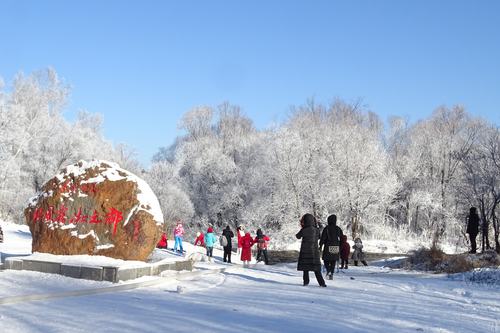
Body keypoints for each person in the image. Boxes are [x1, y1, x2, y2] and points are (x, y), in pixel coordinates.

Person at [296, 213, 327, 287]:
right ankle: (321, 283)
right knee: (316, 268)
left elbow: (298, 236)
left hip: (305, 251)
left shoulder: (304, 230)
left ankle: (306, 282)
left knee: (305, 268)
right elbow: (319, 237)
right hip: (314, 251)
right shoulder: (316, 230)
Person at [319, 214, 343, 280]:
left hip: (328, 246)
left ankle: (328, 270)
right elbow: (342, 238)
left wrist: (320, 246)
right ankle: (331, 273)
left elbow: (323, 238)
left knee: (326, 260)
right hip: (336, 246)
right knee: (333, 261)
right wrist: (341, 247)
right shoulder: (338, 229)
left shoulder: (326, 228)